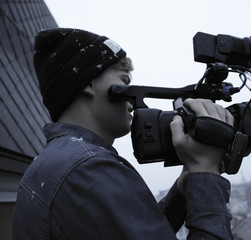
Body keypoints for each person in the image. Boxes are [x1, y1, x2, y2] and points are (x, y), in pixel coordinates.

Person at [12, 28, 235, 239]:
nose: (131, 99)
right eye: (124, 80)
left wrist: (185, 187)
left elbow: (134, 231)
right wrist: (205, 171)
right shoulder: (88, 168)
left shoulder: (61, 163)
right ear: (87, 83)